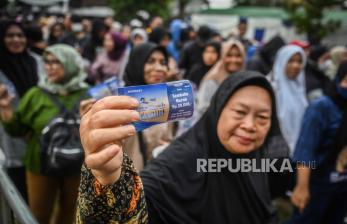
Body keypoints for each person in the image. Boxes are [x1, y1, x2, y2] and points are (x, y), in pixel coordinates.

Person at [75, 71, 283, 223]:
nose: (249, 125)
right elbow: (137, 203)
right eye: (239, 112)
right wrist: (107, 180)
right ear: (218, 110)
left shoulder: (256, 156)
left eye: (262, 117)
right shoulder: (181, 160)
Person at [0, 44, 88, 224]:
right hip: (41, 165)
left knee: (71, 213)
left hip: (78, 165)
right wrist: (6, 109)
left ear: (70, 63)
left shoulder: (89, 93)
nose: (49, 67)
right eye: (47, 62)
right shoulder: (35, 95)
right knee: (38, 215)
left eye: (57, 62)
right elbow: (17, 129)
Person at [289, 61, 347, 224]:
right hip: (316, 183)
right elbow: (306, 150)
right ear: (338, 80)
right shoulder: (321, 107)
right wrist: (302, 187)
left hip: (341, 185)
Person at [0, 20, 44, 201]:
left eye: (20, 35)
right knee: (17, 190)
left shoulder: (36, 62)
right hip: (10, 135)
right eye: (10, 36)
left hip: (38, 133)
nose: (16, 40)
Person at [121, 42, 174, 171]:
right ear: (137, 64)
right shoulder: (119, 103)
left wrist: (170, 148)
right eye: (150, 61)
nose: (159, 68)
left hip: (158, 178)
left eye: (163, 63)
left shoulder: (166, 99)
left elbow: (167, 139)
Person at [268, 45, 307, 156]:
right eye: (290, 61)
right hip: (275, 152)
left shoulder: (299, 88)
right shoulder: (271, 87)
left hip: (296, 150)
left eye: (299, 62)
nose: (296, 66)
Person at [196, 39, 245, 119]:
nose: (234, 60)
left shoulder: (244, 78)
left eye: (238, 56)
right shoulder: (212, 80)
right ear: (222, 57)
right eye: (229, 55)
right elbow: (202, 108)